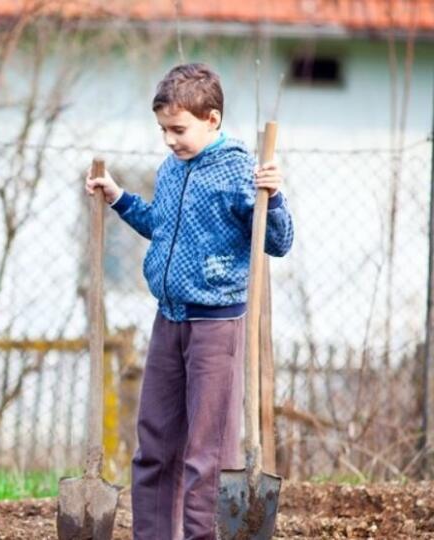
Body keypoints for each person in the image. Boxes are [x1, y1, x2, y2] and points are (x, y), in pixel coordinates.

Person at [85, 63, 294, 539]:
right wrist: (118, 198)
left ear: (212, 120)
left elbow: (278, 242)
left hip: (216, 326)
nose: (169, 140)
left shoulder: (242, 169)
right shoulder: (172, 168)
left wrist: (275, 197)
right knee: (155, 444)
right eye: (163, 130)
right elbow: (162, 226)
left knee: (208, 454)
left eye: (178, 129)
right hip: (169, 319)